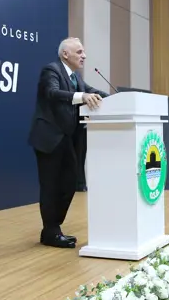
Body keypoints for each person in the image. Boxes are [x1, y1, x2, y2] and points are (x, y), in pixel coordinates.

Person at [27, 37, 108, 248]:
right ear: (65, 54)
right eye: (79, 52)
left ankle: (52, 228)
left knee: (70, 183)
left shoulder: (75, 77)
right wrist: (82, 97)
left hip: (66, 139)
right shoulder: (51, 70)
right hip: (49, 138)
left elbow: (91, 91)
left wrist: (116, 99)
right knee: (50, 186)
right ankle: (51, 231)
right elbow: (52, 93)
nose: (84, 56)